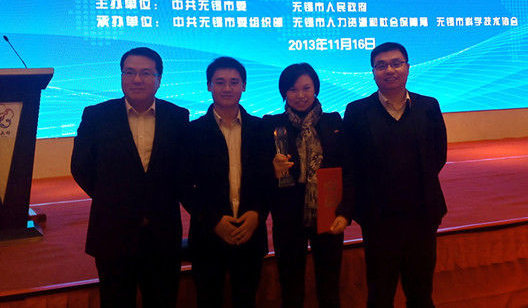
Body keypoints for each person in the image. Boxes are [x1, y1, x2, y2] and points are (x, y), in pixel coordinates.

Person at [70, 47, 190, 308]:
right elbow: (81, 167)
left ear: (159, 79)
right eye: (129, 72)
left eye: (146, 73)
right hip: (113, 231)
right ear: (121, 76)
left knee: (162, 300)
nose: (137, 79)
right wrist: (113, 198)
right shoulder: (96, 116)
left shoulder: (178, 117)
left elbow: (183, 170)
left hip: (162, 233)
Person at [343, 42, 447, 308]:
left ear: (408, 68)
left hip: (422, 215)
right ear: (373, 72)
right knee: (380, 293)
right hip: (379, 219)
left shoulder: (428, 106)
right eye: (381, 65)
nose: (389, 70)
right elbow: (351, 163)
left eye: (396, 63)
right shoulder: (356, 111)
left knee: (421, 293)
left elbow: (438, 155)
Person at [264, 63, 354, 308]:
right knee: (290, 285)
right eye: (293, 89)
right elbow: (258, 173)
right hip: (288, 218)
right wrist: (271, 169)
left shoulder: (334, 123)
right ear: (284, 92)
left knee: (329, 284)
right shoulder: (270, 125)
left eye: (306, 88)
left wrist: (345, 212)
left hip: (328, 213)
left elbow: (349, 170)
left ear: (316, 89)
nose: (301, 95)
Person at [187, 56, 269, 308]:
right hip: (208, 236)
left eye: (234, 82)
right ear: (208, 85)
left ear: (244, 86)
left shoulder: (262, 129)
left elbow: (270, 180)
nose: (227, 88)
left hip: (250, 233)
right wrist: (213, 220)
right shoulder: (191, 132)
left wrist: (257, 214)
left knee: (246, 300)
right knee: (208, 300)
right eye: (220, 82)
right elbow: (182, 184)